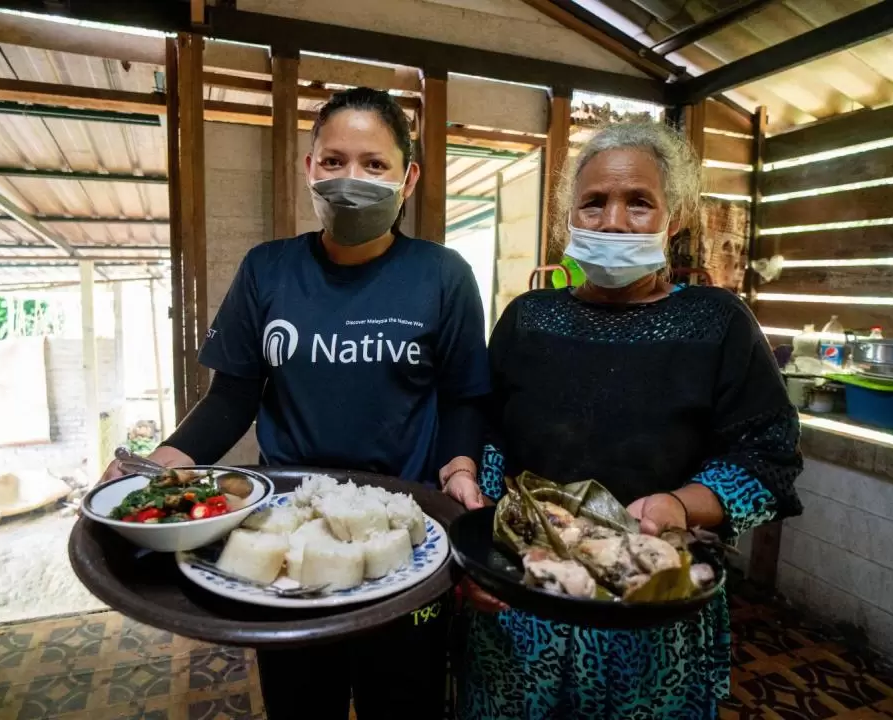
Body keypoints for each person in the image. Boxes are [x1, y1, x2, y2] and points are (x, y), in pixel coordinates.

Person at [101, 87, 489, 720]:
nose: (351, 179)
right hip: (288, 535)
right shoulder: (267, 270)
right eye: (333, 161)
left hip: (407, 538)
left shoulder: (442, 275)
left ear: (408, 177)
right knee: (301, 699)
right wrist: (155, 467)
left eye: (375, 164)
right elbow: (231, 398)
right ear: (310, 168)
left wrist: (460, 469)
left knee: (409, 695)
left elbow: (465, 396)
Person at [454, 121, 803, 719]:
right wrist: (480, 554)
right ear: (570, 215)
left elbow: (766, 458)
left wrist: (681, 505)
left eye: (639, 203)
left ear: (676, 217)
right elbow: (490, 437)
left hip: (652, 611)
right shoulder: (528, 318)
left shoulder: (717, 324)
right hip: (525, 606)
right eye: (594, 203)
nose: (613, 220)